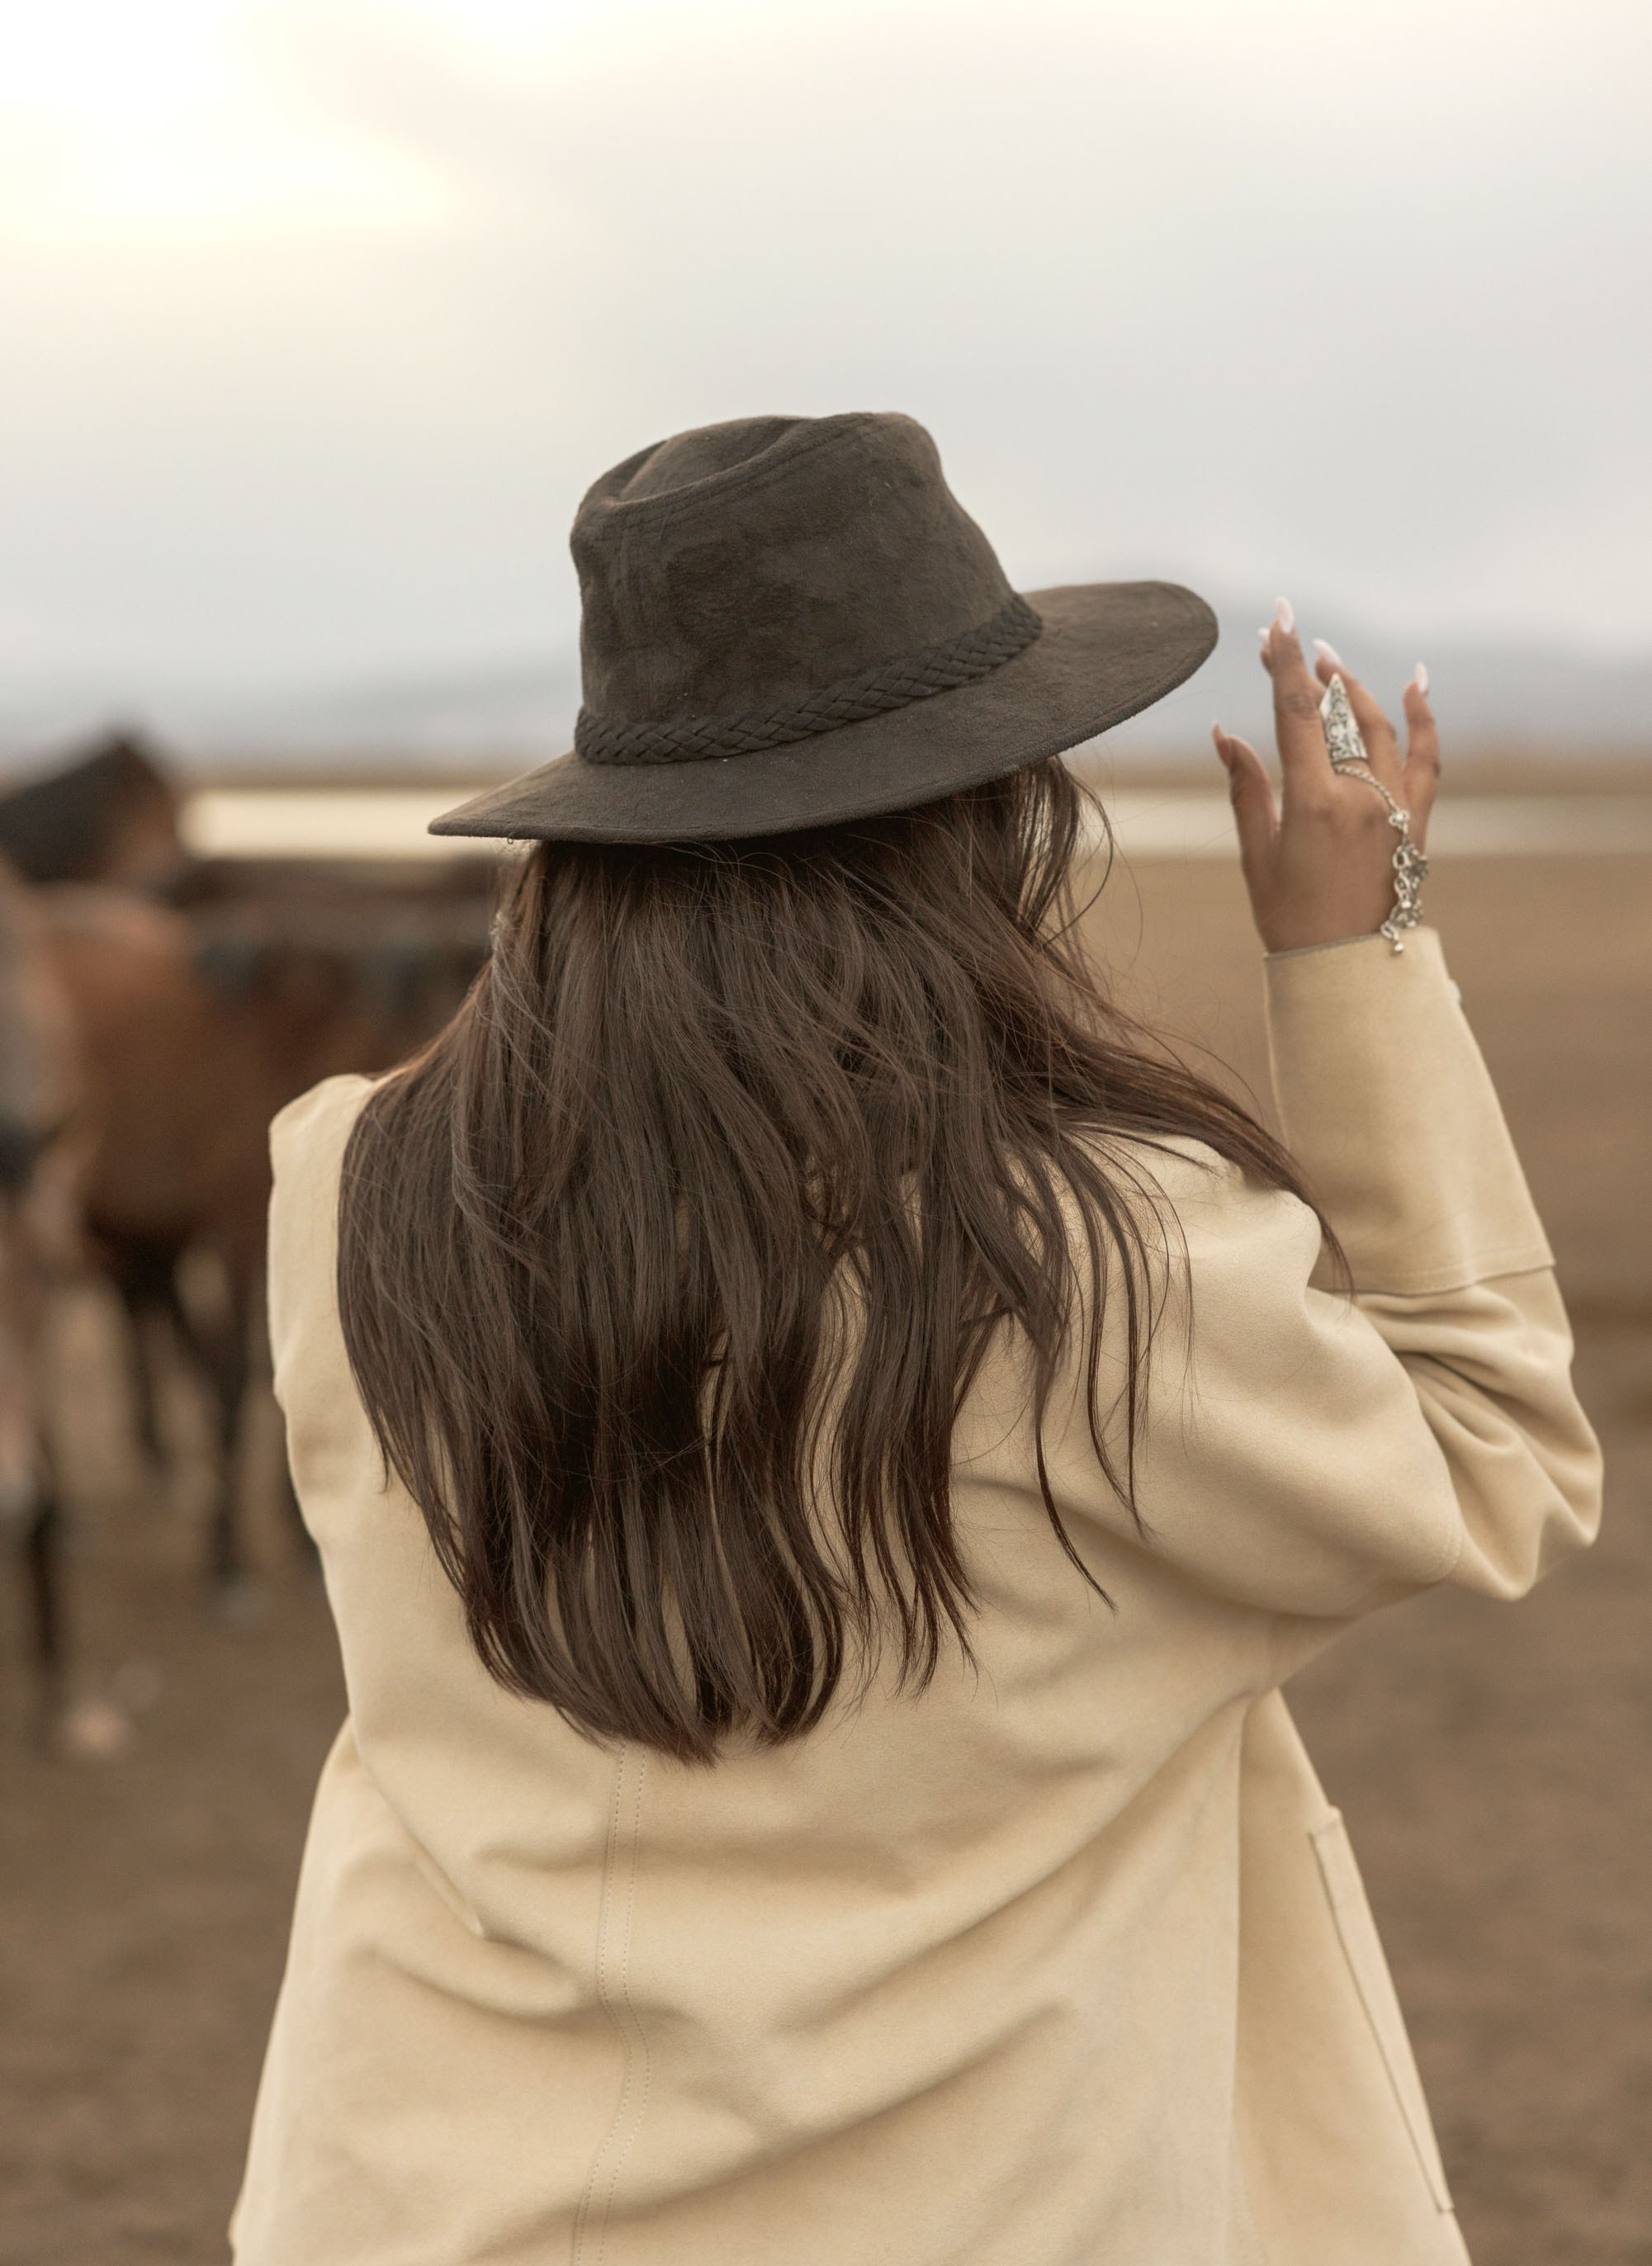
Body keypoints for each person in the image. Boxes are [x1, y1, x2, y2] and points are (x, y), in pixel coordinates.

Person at [232, 414, 1599, 2266]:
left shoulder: (346, 1194)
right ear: (985, 819)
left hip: (415, 2206)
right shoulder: (1096, 1266)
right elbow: (1491, 1451)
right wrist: (1362, 958)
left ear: (607, 829)